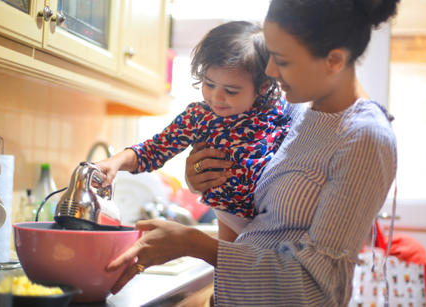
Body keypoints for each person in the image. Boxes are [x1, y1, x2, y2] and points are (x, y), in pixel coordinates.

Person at [104, 0, 400, 306]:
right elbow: (262, 208)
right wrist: (201, 179)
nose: (269, 72)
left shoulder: (364, 138)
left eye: (282, 60)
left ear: (334, 60)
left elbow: (317, 288)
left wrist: (194, 243)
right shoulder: (294, 110)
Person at [96, 21, 290, 242]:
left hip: (273, 218)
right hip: (229, 216)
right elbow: (153, 150)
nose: (216, 97)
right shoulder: (199, 117)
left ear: (263, 86)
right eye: (209, 84)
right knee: (229, 267)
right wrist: (116, 162)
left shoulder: (277, 110)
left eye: (230, 90)